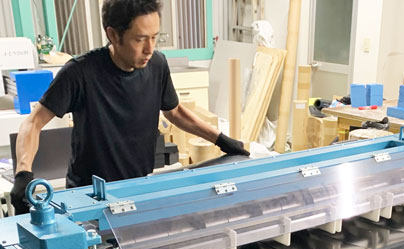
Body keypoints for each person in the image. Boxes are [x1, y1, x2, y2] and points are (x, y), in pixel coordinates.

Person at [10, 0, 248, 214]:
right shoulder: (80, 72)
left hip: (137, 188)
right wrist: (23, 173)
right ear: (113, 35)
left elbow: (174, 112)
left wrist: (221, 139)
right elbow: (34, 122)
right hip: (88, 197)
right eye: (140, 39)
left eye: (155, 37)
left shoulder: (157, 65)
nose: (149, 49)